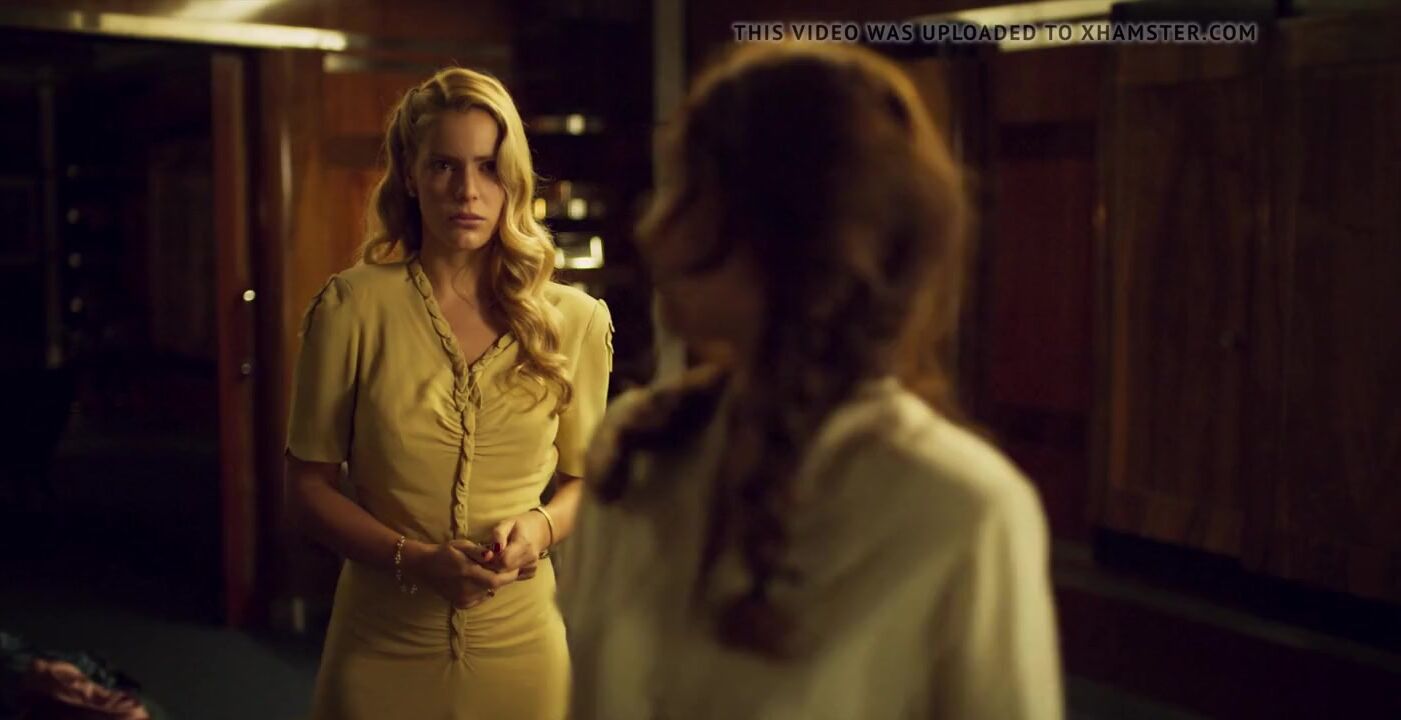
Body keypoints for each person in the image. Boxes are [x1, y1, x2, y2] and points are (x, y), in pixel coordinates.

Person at [561, 42, 1062, 719]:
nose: (651, 230)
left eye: (687, 192)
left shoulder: (961, 510)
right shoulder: (637, 450)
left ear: (787, 224)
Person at [284, 66, 612, 720]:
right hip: (381, 642)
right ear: (410, 175)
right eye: (443, 166)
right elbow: (307, 488)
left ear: (512, 179)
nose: (467, 191)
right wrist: (413, 560)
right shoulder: (351, 307)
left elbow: (588, 482)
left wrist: (541, 527)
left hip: (523, 648)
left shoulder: (573, 321)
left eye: (488, 167)